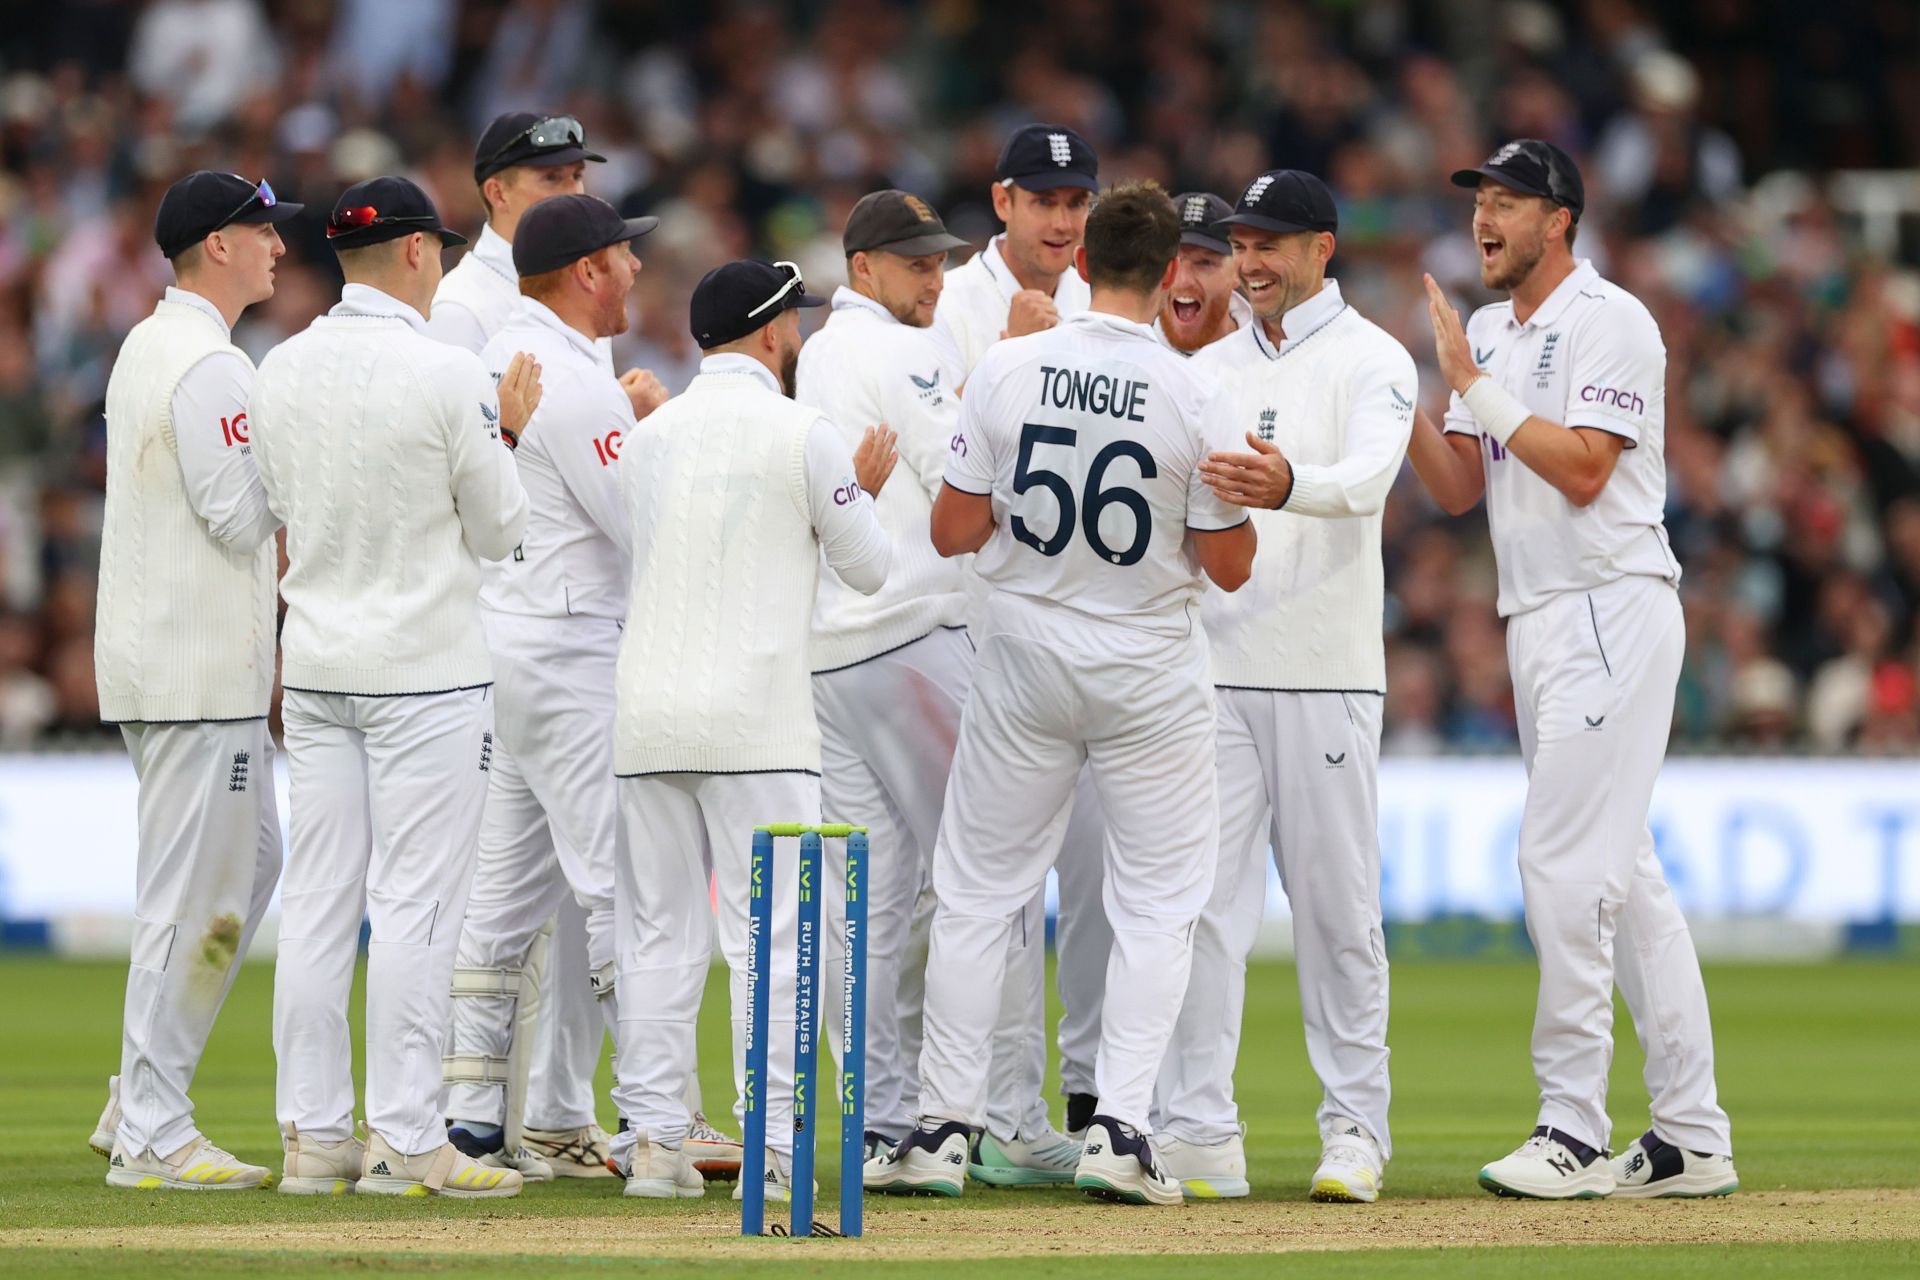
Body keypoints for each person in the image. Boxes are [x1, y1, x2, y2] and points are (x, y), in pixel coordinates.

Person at [866, 181, 1258, 1206]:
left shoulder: (1005, 366)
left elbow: (952, 531)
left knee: (977, 890)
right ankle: (1121, 1129)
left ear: (1082, 259)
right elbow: (1230, 565)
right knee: (1158, 902)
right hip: (1146, 665)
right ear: (1174, 272)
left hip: (1026, 654)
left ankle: (944, 1125)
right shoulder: (1195, 395)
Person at [1410, 139, 1737, 1199]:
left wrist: (1477, 388)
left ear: (1560, 219)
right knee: (1625, 879)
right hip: (1539, 615)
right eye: (1478, 202)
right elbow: (1464, 483)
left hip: (1609, 605)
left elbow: (1590, 470)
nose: (1484, 218)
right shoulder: (1495, 330)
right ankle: (1691, 1135)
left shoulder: (1611, 320)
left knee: (1560, 866)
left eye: (1507, 200)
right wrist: (1400, 400)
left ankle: (1572, 1126)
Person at [251, 176, 543, 1198]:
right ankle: (411, 1137)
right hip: (426, 672)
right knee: (418, 904)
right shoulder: (448, 371)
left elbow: (275, 505)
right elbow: (504, 531)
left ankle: (314, 1132)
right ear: (419, 252)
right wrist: (505, 430)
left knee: (323, 905)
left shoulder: (277, 369)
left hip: (322, 663)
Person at [427, 112, 698, 1178]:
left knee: (501, 899)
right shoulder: (570, 374)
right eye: (624, 250)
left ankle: (467, 1117)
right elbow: (642, 524)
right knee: (618, 890)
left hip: (509, 649)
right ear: (587, 270)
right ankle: (653, 1118)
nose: (635, 264)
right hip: (578, 649)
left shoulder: (511, 351)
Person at [608, 259, 897, 1200]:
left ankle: (654, 1144)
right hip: (758, 725)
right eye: (795, 323)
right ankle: (769, 1151)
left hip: (647, 716)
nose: (801, 337)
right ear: (773, 332)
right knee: (771, 940)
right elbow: (872, 570)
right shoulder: (802, 430)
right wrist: (854, 493)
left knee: (655, 938)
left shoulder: (649, 437)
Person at [1155, 169, 1413, 1203]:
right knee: (1204, 909)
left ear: (1323, 249)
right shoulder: (1207, 366)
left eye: (1272, 242)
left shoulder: (1373, 359)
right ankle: (1198, 1129)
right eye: (1243, 242)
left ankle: (1355, 1129)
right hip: (1215, 670)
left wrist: (1289, 483)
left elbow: (1370, 479)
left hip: (1324, 673)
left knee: (1337, 911)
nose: (1252, 261)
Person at [92, 171, 302, 1192]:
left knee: (248, 866)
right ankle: (153, 1133)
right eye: (261, 230)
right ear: (216, 244)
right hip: (190, 672)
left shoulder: (160, 341)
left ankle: (141, 1097)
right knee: (192, 897)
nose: (277, 246)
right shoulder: (209, 364)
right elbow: (236, 513)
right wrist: (311, 467)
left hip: (185, 664)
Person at [933, 119, 1112, 1189]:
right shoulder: (957, 302)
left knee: (1072, 885)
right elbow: (945, 463)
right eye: (1044, 199)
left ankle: (1033, 1106)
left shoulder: (1093, 304)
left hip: (1072, 632)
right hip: (973, 623)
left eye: (1077, 201)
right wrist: (1012, 346)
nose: (1062, 218)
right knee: (983, 889)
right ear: (1001, 201)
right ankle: (967, 1115)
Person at [793, 189, 972, 1160]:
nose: (933, 279)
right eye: (915, 263)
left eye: (941, 262)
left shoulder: (820, 349)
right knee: (978, 876)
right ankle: (955, 1117)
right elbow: (964, 480)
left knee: (864, 895)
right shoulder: (909, 351)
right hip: (912, 632)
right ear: (864, 266)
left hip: (833, 651)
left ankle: (879, 1122)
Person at [1153, 192, 1252, 355]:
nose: (1183, 281)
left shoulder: (1272, 355)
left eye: (1204, 263)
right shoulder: (1127, 355)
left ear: (1237, 272)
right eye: (1170, 261)